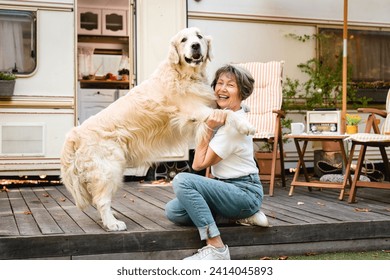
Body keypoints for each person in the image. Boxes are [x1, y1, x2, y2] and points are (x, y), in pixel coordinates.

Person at [165, 64, 269, 260]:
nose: (222, 89)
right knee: (174, 211)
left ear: (242, 92)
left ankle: (216, 247)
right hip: (226, 189)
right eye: (219, 83)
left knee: (182, 180)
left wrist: (209, 129)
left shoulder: (232, 128)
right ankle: (240, 215)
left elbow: (198, 165)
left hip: (244, 191)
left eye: (230, 85)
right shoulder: (228, 117)